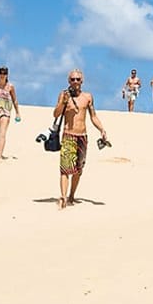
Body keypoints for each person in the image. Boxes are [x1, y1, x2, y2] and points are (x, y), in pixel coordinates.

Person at [53, 69, 108, 209]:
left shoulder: (88, 97)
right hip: (68, 136)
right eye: (72, 79)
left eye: (78, 79)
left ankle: (72, 195)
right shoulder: (63, 95)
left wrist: (101, 129)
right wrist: (62, 103)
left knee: (78, 170)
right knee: (65, 169)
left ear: (82, 81)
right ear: (68, 81)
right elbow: (56, 114)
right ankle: (63, 197)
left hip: (82, 137)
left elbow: (93, 116)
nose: (75, 82)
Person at [0, 66, 21, 159]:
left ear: (7, 75)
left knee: (2, 133)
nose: (2, 75)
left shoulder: (10, 86)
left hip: (5, 111)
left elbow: (14, 100)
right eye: (1, 73)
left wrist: (17, 112)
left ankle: (0, 155)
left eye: (4, 73)